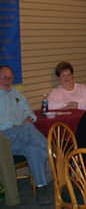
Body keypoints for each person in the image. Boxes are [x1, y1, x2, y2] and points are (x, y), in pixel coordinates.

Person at [0, 65, 51, 205]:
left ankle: (42, 188)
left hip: (21, 136)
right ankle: (53, 153)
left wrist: (28, 117)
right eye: (4, 77)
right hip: (4, 138)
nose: (7, 80)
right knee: (27, 129)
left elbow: (28, 110)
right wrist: (20, 127)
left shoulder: (16, 93)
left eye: (10, 78)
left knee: (33, 149)